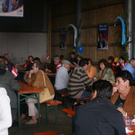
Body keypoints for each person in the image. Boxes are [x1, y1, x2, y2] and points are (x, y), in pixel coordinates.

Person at [25, 60, 55, 125]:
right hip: (42, 93)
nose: (32, 67)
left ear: (37, 68)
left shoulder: (39, 73)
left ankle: (34, 119)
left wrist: (31, 77)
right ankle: (37, 114)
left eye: (33, 66)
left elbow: (34, 85)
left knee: (29, 100)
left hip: (48, 94)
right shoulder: (35, 73)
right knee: (27, 99)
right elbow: (29, 83)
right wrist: (30, 74)